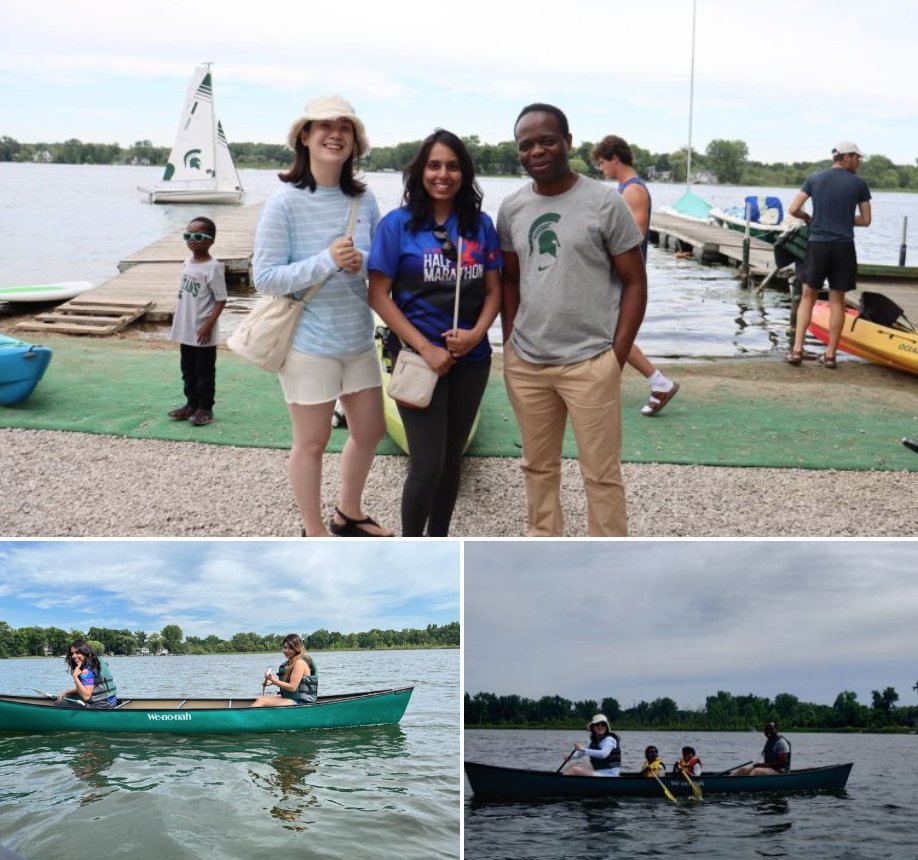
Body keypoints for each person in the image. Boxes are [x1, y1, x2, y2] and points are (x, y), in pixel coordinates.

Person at [498, 104, 647, 537]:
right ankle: (543, 542)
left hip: (590, 361)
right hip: (527, 362)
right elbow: (509, 280)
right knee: (537, 468)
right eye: (526, 145)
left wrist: (615, 357)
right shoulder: (511, 209)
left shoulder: (604, 203)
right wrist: (509, 344)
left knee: (601, 474)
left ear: (568, 141)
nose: (537, 151)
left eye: (547, 140)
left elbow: (635, 283)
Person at [253, 95, 394, 537]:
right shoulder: (284, 202)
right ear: (305, 137)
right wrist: (328, 260)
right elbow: (265, 278)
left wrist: (360, 260)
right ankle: (314, 533)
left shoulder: (365, 198)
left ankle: (348, 512)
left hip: (356, 338)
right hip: (307, 344)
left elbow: (380, 260)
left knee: (369, 432)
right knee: (311, 444)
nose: (335, 134)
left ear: (354, 141)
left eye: (345, 127)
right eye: (324, 126)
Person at [368, 130, 502, 536]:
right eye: (434, 165)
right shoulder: (398, 225)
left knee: (452, 460)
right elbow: (378, 295)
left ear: (464, 173)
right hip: (417, 360)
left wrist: (477, 333)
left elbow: (495, 291)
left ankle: (438, 539)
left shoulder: (480, 226)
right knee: (426, 464)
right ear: (420, 171)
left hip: (471, 360)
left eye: (453, 166)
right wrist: (425, 348)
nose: (443, 174)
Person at [592, 135, 679, 416]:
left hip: (625, 275)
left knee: (615, 334)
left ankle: (659, 382)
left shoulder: (633, 191)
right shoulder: (623, 189)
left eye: (602, 162)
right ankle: (616, 382)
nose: (601, 169)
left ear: (615, 158)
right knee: (609, 332)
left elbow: (634, 236)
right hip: (615, 273)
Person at [786, 141, 872, 369]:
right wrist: (844, 218)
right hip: (843, 247)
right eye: (857, 158)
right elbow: (865, 220)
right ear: (847, 157)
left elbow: (793, 209)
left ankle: (796, 351)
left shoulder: (814, 178)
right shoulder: (859, 184)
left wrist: (809, 218)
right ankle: (831, 355)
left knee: (807, 297)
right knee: (837, 301)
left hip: (818, 246)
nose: (859, 162)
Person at [167, 216, 227, 427]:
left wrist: (208, 325)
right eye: (188, 236)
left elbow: (221, 299)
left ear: (210, 240)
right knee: (188, 369)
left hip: (203, 330)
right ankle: (191, 404)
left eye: (198, 236)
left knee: (204, 372)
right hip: (186, 328)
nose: (192, 240)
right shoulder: (188, 262)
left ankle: (205, 408)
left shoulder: (213, 268)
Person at [250, 634, 318, 707]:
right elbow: (291, 682)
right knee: (262, 698)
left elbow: (292, 687)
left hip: (302, 702)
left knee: (262, 701)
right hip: (292, 698)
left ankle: (246, 718)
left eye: (290, 648)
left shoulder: (299, 663)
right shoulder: (289, 663)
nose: (286, 651)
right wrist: (272, 683)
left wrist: (273, 680)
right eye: (285, 647)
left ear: (297, 648)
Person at [56, 639, 117, 708]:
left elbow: (86, 696)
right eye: (72, 653)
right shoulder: (95, 663)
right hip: (111, 703)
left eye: (77, 652)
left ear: (85, 652)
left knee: (59, 703)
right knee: (69, 696)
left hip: (100, 706)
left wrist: (75, 676)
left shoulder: (86, 671)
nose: (74, 656)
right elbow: (86, 687)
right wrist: (66, 692)